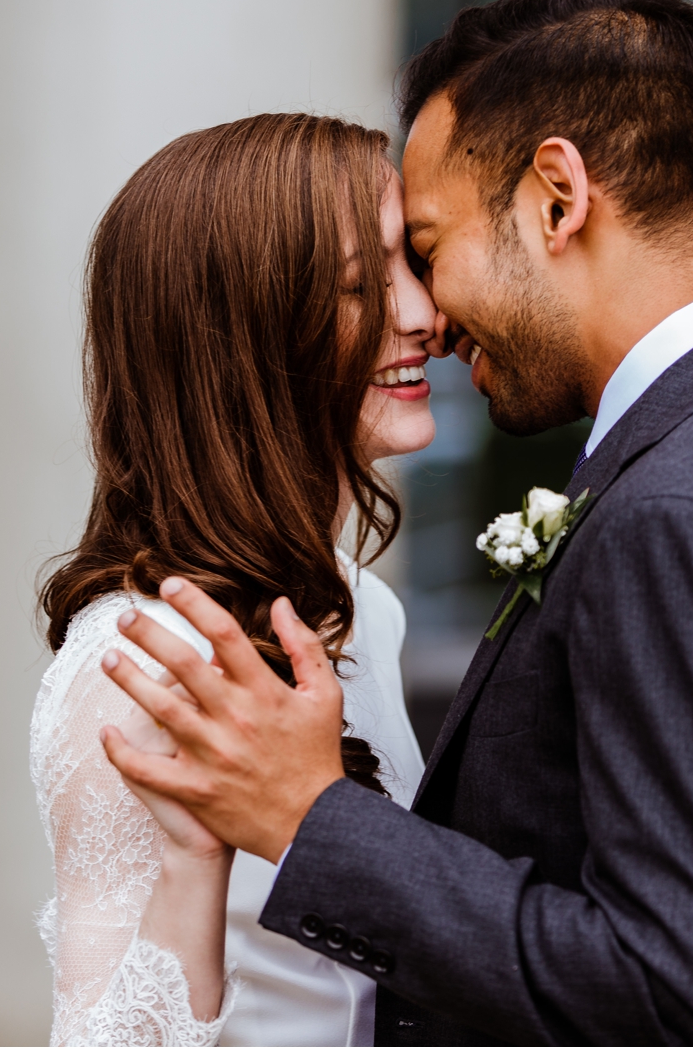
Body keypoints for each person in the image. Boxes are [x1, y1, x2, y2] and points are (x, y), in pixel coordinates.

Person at [98, 0, 693, 1047]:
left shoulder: (690, 510)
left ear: (556, 198)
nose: (425, 311)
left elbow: (676, 1003)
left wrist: (310, 821)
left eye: (428, 246)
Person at [32, 112, 441, 1045]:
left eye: (408, 265)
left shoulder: (362, 607)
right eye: (356, 286)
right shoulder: (133, 660)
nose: (418, 313)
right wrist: (194, 864)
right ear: (244, 343)